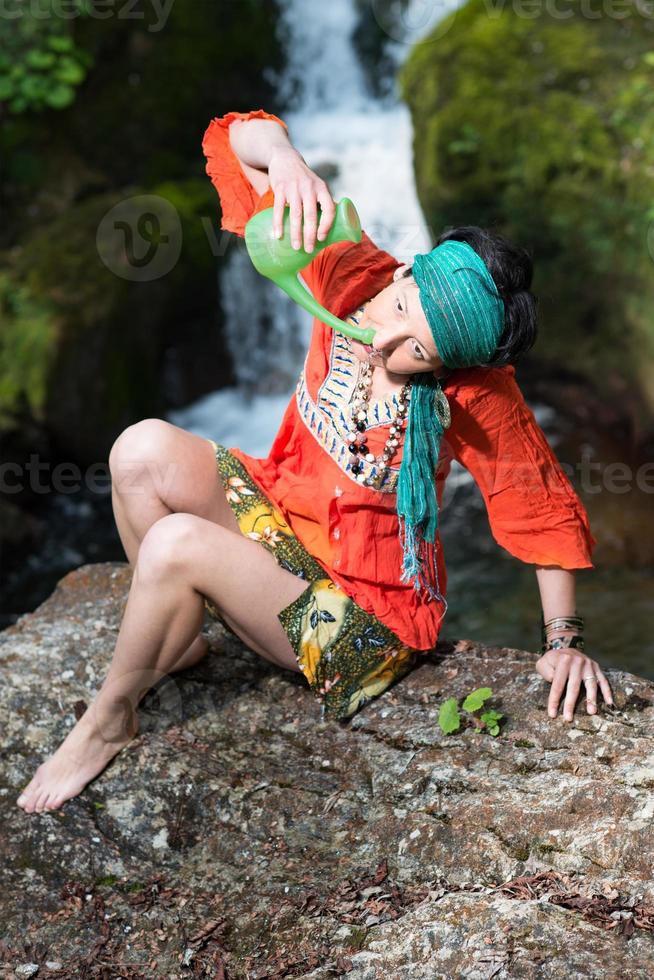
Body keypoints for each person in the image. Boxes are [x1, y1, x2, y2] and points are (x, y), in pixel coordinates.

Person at [16, 109, 613, 815]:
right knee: (139, 446)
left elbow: (538, 504)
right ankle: (174, 644)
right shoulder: (351, 273)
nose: (383, 337)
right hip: (280, 525)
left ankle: (109, 719)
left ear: (447, 361)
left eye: (415, 348)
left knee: (177, 544)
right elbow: (234, 142)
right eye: (398, 304)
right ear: (402, 274)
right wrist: (288, 161)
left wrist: (562, 641)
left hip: (363, 619)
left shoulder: (475, 393)